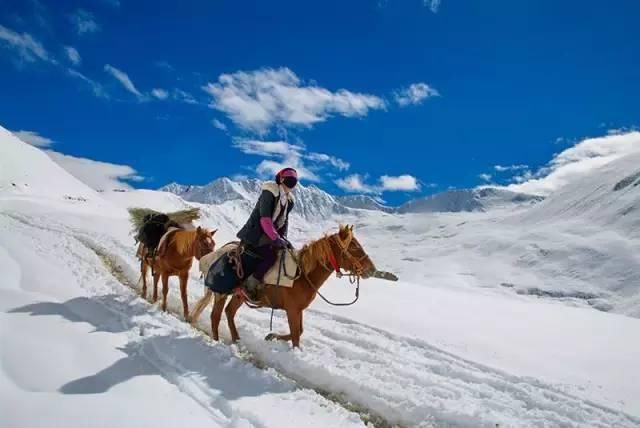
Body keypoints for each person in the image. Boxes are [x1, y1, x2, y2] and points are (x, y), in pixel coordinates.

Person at [236, 167, 297, 294]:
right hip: (255, 234)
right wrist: (276, 238)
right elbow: (265, 219)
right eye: (289, 180)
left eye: (294, 181)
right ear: (281, 179)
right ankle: (251, 283)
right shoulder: (269, 192)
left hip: (269, 236)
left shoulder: (289, 200)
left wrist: (283, 239)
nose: (291, 183)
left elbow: (284, 221)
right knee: (271, 257)